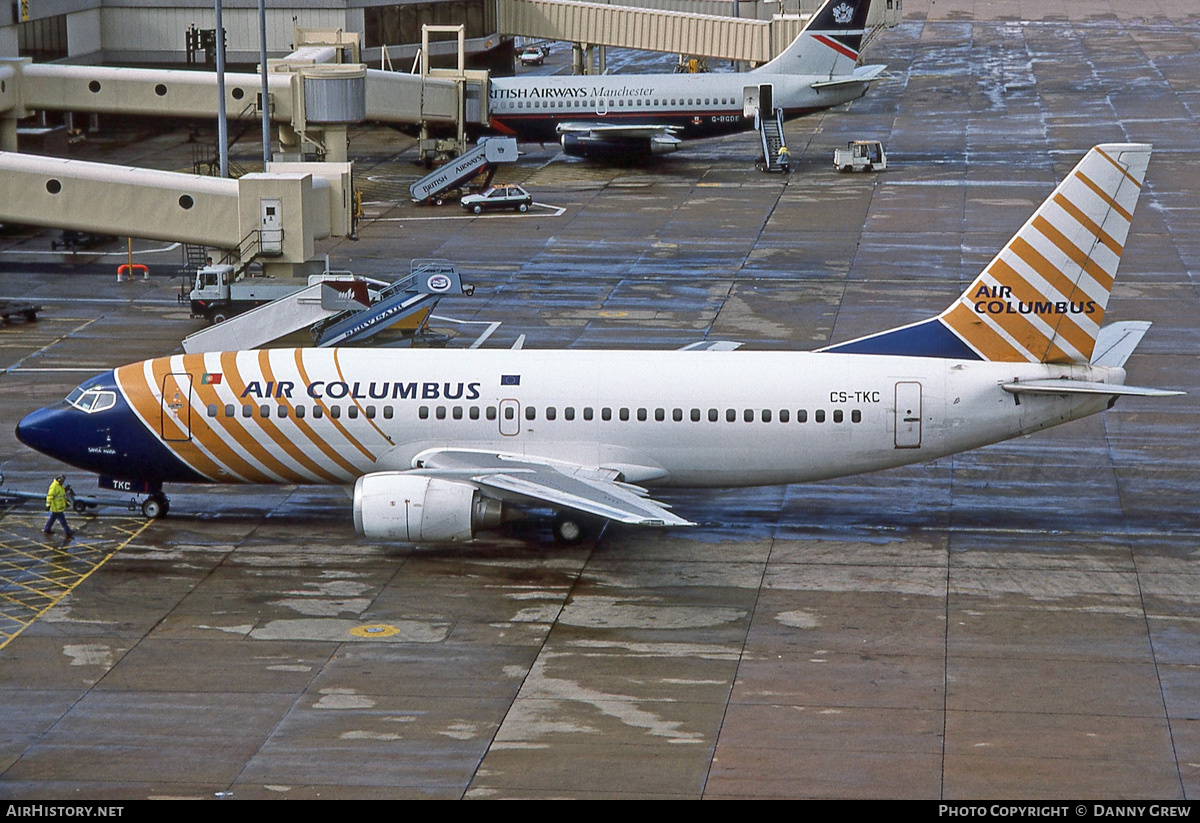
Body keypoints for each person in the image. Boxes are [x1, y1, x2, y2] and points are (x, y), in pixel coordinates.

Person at [44, 474, 74, 540]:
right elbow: (50, 496)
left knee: (52, 519)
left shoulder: (59, 486)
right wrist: (48, 505)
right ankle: (68, 532)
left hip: (58, 506)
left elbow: (61, 494)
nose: (63, 482)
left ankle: (47, 529)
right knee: (62, 520)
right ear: (59, 480)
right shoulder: (54, 486)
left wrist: (65, 490)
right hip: (56, 507)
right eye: (62, 481)